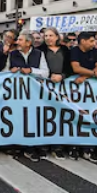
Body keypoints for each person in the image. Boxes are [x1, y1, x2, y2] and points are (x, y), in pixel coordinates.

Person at [11, 31, 51, 162]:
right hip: (18, 93)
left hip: (34, 94)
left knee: (33, 119)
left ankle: (32, 146)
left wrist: (32, 71)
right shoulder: (13, 54)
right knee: (19, 119)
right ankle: (19, 146)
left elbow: (45, 73)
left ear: (28, 42)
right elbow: (5, 72)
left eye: (21, 40)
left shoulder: (39, 54)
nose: (18, 42)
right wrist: (10, 71)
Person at [69, 32, 97, 163]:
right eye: (90, 41)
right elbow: (76, 68)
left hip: (90, 89)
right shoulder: (74, 51)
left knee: (90, 116)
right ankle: (74, 146)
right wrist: (94, 73)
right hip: (75, 89)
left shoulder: (94, 51)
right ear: (83, 41)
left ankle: (88, 148)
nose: (93, 43)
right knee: (76, 116)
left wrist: (87, 76)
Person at [38, 27, 73, 160]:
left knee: (60, 116)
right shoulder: (40, 50)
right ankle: (43, 145)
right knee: (45, 115)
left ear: (57, 37)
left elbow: (71, 68)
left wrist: (62, 76)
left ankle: (57, 146)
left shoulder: (65, 50)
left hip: (62, 87)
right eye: (46, 36)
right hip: (44, 87)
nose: (48, 38)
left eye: (51, 35)